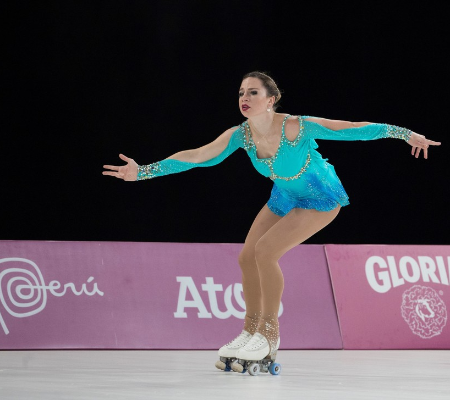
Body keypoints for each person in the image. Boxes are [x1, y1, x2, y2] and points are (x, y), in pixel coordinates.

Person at [103, 71, 441, 371]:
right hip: (285, 196)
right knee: (246, 257)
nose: (245, 98)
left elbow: (354, 129)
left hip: (321, 199)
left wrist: (404, 134)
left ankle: (269, 334)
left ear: (271, 99)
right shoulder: (241, 135)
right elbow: (197, 156)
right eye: (241, 92)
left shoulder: (297, 126)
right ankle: (250, 330)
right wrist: (143, 172)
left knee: (265, 253)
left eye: (253, 92)